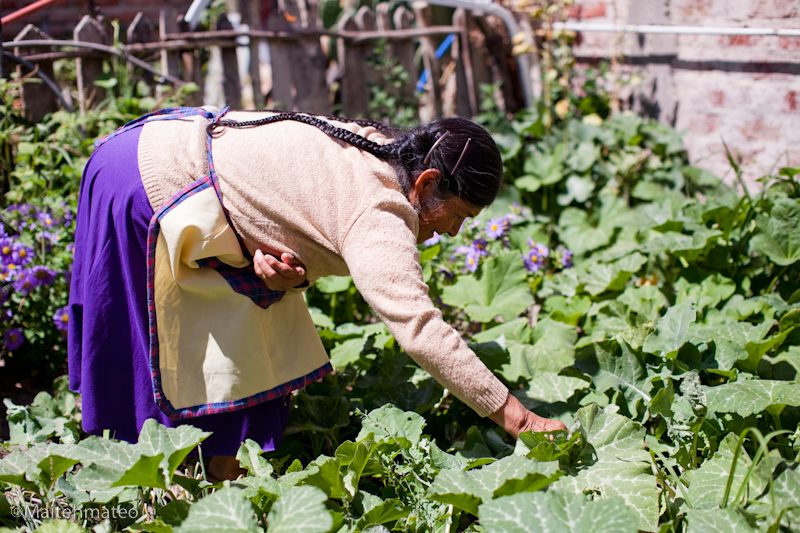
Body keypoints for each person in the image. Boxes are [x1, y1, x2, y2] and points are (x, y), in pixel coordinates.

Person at [68, 107, 567, 481]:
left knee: (264, 321)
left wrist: (281, 267)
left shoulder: (381, 147)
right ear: (428, 180)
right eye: (456, 214)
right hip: (145, 178)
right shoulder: (380, 211)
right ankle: (139, 482)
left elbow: (290, 197)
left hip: (155, 143)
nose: (455, 232)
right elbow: (418, 330)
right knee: (150, 354)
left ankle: (225, 477)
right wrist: (516, 416)